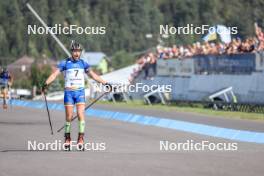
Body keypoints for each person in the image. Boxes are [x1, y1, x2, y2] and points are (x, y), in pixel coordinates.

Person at [42, 41, 112, 150]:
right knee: (69, 117)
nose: (76, 53)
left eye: (78, 51)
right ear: (71, 52)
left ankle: (80, 138)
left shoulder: (83, 63)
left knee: (80, 114)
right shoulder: (65, 63)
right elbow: (55, 74)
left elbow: (93, 75)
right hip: (69, 93)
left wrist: (105, 83)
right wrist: (46, 83)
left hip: (80, 93)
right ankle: (67, 138)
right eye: (75, 51)